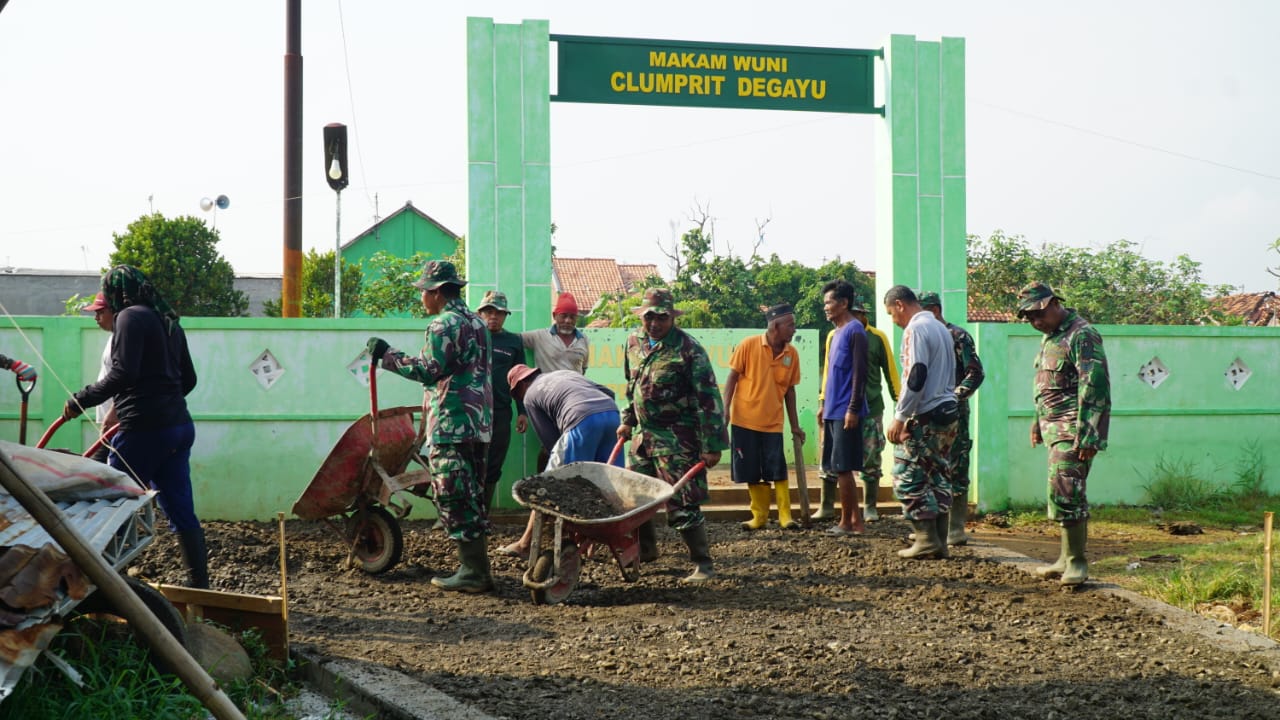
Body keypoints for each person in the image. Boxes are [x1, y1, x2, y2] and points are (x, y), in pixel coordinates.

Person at [62, 266, 206, 588]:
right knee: (181, 512)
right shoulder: (169, 321)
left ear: (117, 292)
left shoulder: (128, 318)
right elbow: (190, 379)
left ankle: (109, 586)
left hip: (142, 431)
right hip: (179, 428)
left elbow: (122, 374)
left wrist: (78, 400)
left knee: (112, 505)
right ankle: (201, 589)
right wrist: (163, 401)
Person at [366, 260, 494, 593]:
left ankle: (473, 572)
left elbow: (426, 370)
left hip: (451, 423)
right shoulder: (479, 324)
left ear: (436, 292)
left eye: (424, 291)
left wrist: (386, 355)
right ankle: (477, 568)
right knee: (473, 495)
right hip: (479, 424)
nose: (422, 297)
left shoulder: (443, 325)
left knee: (452, 495)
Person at [617, 288, 727, 583]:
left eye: (661, 318)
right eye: (649, 317)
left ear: (672, 318)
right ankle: (647, 550)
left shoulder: (688, 350)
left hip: (678, 440)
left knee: (681, 504)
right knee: (636, 498)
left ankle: (703, 564)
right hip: (644, 438)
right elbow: (631, 386)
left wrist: (712, 445)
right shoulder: (633, 343)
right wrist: (627, 420)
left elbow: (709, 399)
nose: (654, 323)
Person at [1018, 281, 1110, 586]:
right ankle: (1063, 559)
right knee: (1059, 490)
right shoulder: (1051, 337)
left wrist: (1088, 436)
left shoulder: (1082, 334)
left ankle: (1077, 563)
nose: (1034, 322)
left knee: (1068, 491)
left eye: (1037, 314)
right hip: (1054, 426)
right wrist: (1036, 421)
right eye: (1029, 318)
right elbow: (1045, 385)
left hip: (1074, 427)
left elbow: (1094, 386)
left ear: (1054, 304)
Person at [497, 364, 623, 560]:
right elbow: (609, 393)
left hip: (581, 419)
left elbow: (550, 441)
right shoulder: (564, 374)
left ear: (520, 386)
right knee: (605, 483)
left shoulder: (530, 396)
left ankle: (524, 544)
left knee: (549, 484)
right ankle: (593, 543)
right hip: (612, 415)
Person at [883, 285, 958, 560]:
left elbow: (916, 374)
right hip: (948, 412)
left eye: (892, 314)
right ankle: (939, 541)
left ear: (900, 305)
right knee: (937, 475)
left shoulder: (915, 329)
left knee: (907, 476)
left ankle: (926, 539)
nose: (894, 320)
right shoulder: (940, 327)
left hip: (926, 414)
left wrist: (900, 417)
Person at [723, 303, 804, 531]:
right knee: (752, 470)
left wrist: (795, 426)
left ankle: (785, 516)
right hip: (744, 420)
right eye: (790, 326)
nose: (794, 330)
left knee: (776, 469)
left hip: (773, 423)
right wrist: (725, 411)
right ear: (775, 327)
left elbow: (790, 390)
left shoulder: (792, 354)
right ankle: (759, 517)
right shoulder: (749, 345)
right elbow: (732, 378)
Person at [919, 292, 985, 545]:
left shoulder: (958, 336)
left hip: (953, 413)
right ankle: (934, 530)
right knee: (931, 468)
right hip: (928, 415)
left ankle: (956, 528)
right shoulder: (923, 336)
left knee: (956, 466)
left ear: (934, 310)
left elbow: (975, 373)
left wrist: (953, 397)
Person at [818, 280, 869, 537]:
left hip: (846, 412)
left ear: (844, 303)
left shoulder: (855, 330)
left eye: (829, 302)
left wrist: (852, 408)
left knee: (843, 467)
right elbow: (832, 375)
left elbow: (860, 374)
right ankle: (846, 520)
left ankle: (853, 523)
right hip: (832, 409)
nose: (825, 307)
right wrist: (823, 404)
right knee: (838, 467)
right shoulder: (836, 333)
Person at [848, 296, 899, 522]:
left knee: (871, 456)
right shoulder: (836, 335)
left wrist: (900, 406)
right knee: (835, 458)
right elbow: (829, 370)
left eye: (857, 313)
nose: (854, 318)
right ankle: (829, 506)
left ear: (864, 315)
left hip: (871, 408)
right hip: (841, 408)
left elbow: (890, 372)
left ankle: (870, 506)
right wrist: (823, 401)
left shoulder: (877, 338)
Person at [476, 290, 527, 514]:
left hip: (501, 412)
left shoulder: (513, 342)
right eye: (488, 312)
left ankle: (483, 514)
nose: (493, 317)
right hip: (472, 412)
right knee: (470, 462)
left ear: (505, 316)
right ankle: (465, 515)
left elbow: (520, 380)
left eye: (498, 313)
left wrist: (522, 411)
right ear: (480, 313)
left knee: (494, 463)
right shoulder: (471, 337)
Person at [82, 292, 119, 463]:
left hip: (118, 422)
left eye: (100, 312)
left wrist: (114, 412)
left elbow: (125, 378)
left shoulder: (122, 339)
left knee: (102, 474)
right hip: (112, 423)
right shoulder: (114, 337)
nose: (96, 318)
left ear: (114, 311)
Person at [521, 291, 589, 374]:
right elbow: (511, 338)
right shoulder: (539, 337)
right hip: (548, 386)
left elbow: (583, 368)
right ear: (554, 315)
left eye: (572, 317)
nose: (568, 321)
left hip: (575, 386)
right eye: (563, 316)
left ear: (577, 318)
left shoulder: (583, 340)